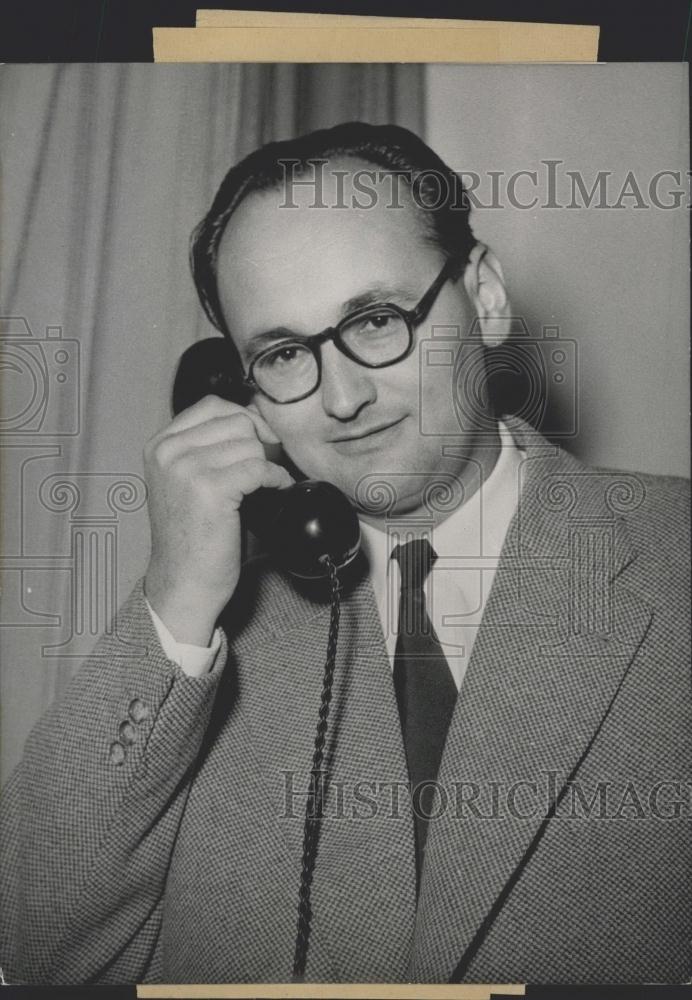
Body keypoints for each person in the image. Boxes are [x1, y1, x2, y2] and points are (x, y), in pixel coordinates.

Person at [1, 122, 690, 987]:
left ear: (483, 297)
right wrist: (173, 609)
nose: (343, 396)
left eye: (376, 320)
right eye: (285, 353)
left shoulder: (673, 557)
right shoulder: (197, 632)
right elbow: (35, 950)